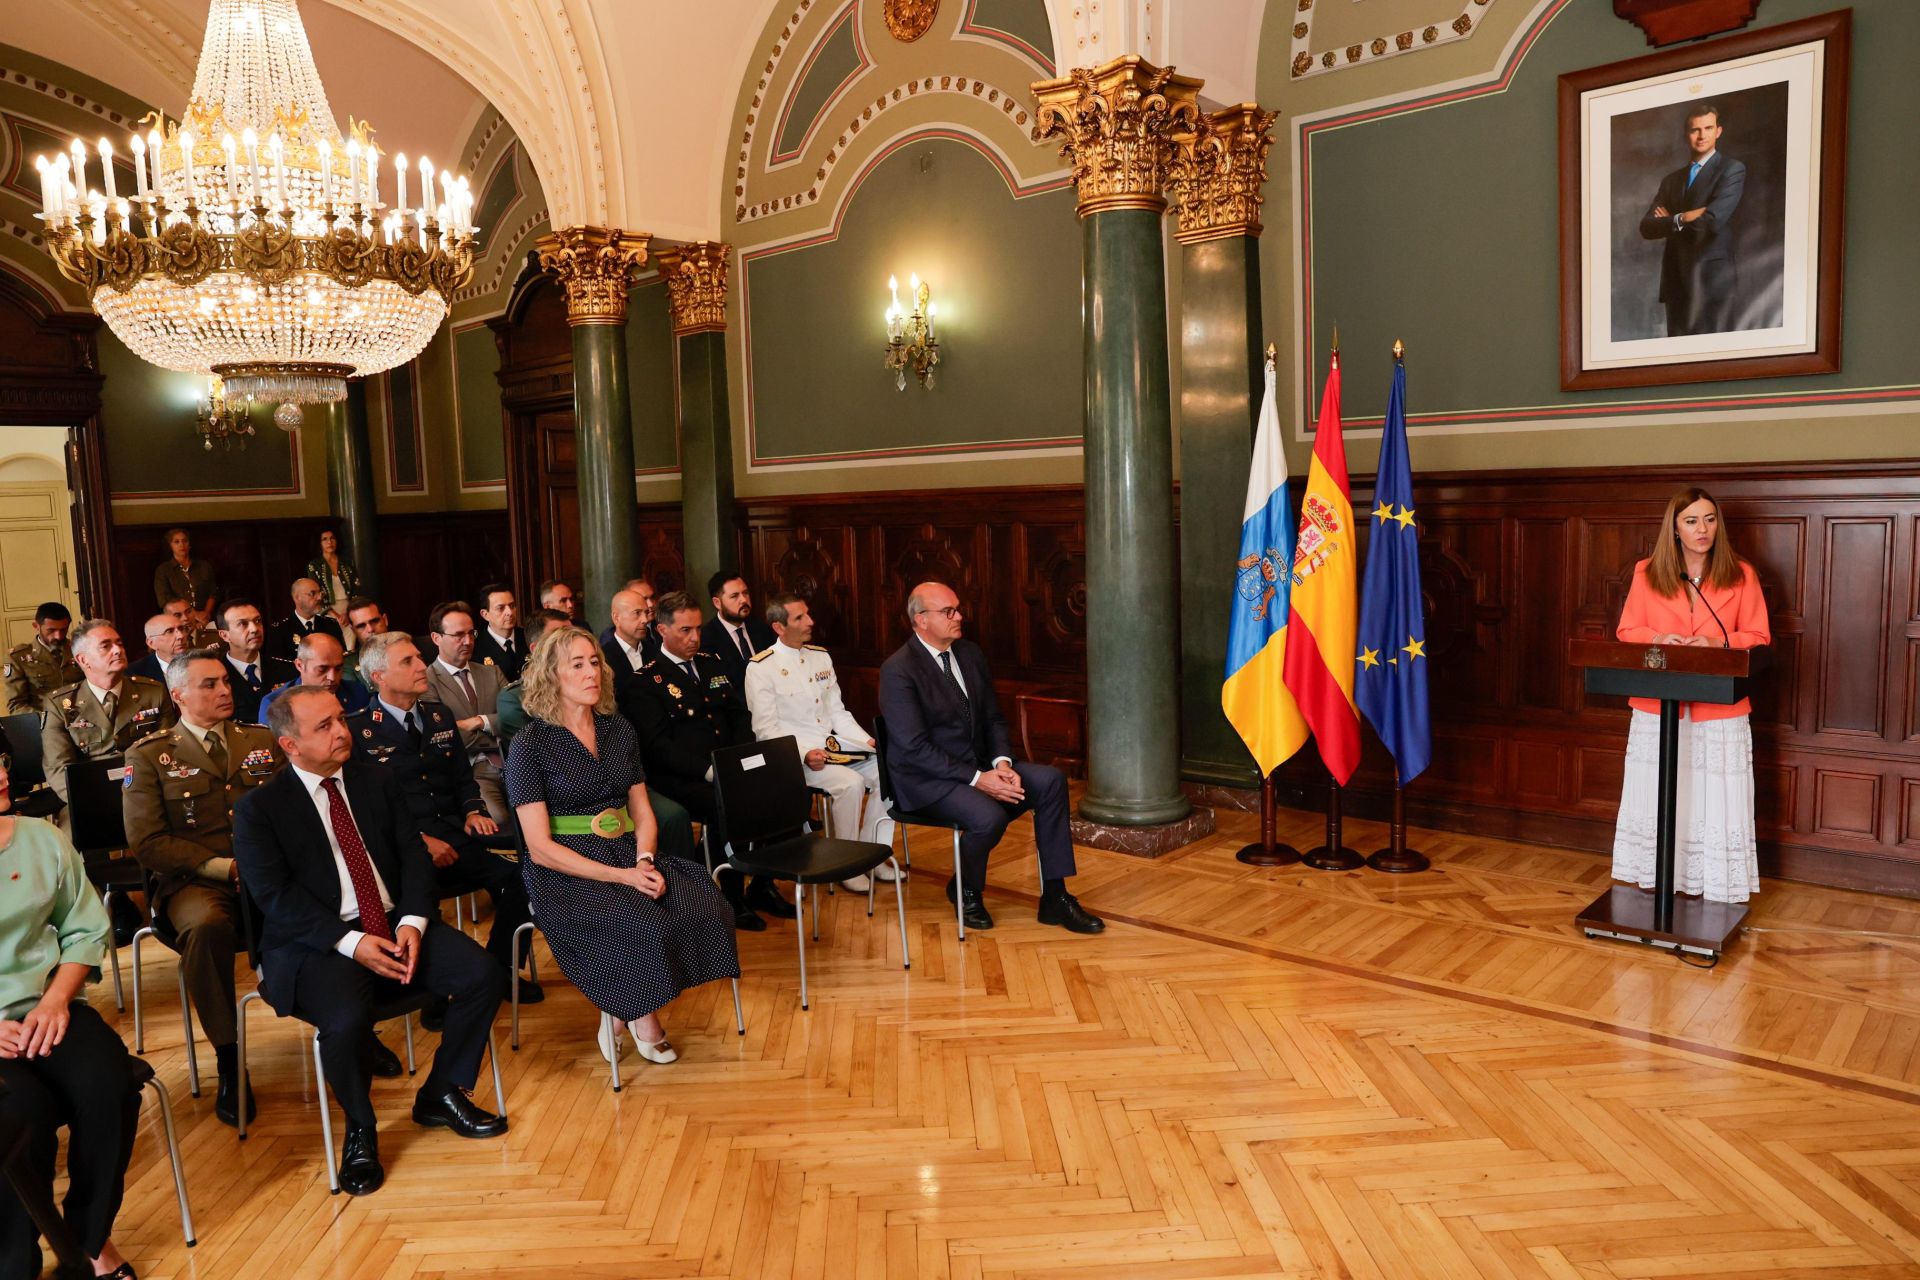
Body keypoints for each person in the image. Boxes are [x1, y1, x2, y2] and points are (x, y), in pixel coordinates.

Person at [235, 687, 508, 1197]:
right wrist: (350, 942)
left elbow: (412, 860)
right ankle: (360, 1128)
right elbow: (276, 899)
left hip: (391, 921)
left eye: (340, 719)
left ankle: (441, 1092)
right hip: (317, 941)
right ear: (290, 745)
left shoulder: (376, 780)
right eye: (324, 727)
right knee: (346, 1021)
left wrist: (413, 924)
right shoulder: (260, 809)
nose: (342, 731)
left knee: (481, 974)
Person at [506, 626, 738, 1066]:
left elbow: (643, 810)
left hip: (627, 851)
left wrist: (644, 860)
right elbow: (539, 848)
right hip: (565, 868)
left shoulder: (617, 730)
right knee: (644, 926)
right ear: (550, 676)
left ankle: (619, 1010)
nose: (591, 672)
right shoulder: (529, 745)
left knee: (706, 908)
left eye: (594, 662)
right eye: (577, 664)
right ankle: (635, 1016)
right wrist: (623, 876)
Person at [877, 582, 1103, 934]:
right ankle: (966, 888)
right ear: (921, 619)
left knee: (1050, 781)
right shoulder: (899, 670)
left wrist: (1001, 764)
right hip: (925, 780)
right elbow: (913, 747)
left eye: (958, 609)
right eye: (948, 611)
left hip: (979, 767)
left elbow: (994, 718)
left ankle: (1055, 897)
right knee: (988, 816)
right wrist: (978, 779)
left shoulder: (969, 654)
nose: (959, 616)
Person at [123, 650, 284, 1125]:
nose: (224, 690)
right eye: (209, 684)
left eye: (225, 682)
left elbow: (288, 811)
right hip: (196, 879)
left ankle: (352, 1027)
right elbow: (147, 842)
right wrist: (224, 868)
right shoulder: (149, 754)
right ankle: (230, 1057)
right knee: (207, 927)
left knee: (329, 903)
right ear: (178, 696)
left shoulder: (259, 740)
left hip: (267, 871)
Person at [0, 752, 141, 1280]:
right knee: (22, 1118)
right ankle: (15, 1264)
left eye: (0, 760)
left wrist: (56, 1000)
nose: (0, 774)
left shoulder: (40, 836)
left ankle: (86, 1239)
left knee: (110, 1085)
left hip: (48, 1005)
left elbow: (83, 929)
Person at [349, 632, 540, 1004]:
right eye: (408, 662)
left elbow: (461, 778)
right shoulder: (360, 731)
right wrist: (419, 842)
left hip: (453, 835)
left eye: (419, 658)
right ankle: (433, 995)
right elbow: (366, 811)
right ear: (379, 677)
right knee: (418, 905)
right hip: (401, 851)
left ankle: (500, 971)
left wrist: (472, 809)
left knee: (522, 878)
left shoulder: (438, 716)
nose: (422, 666)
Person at [1612, 486, 1771, 904]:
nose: (1702, 529)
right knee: (1664, 788)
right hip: (1658, 703)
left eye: (1710, 519)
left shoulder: (1742, 574)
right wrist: (1660, 637)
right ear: (1675, 529)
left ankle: (1714, 880)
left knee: (1712, 792)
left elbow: (1758, 635)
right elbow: (1627, 631)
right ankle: (1661, 876)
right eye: (1692, 521)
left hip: (1720, 706)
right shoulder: (1647, 572)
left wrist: (1719, 644)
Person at [627, 592, 791, 931]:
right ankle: (730, 896)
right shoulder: (646, 681)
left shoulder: (712, 663)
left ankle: (762, 884)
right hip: (682, 776)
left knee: (780, 789)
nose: (695, 638)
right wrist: (709, 771)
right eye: (685, 630)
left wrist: (742, 758)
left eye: (698, 629)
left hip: (728, 765)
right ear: (661, 630)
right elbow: (658, 746)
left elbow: (738, 715)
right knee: (727, 805)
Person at [745, 594, 898, 893]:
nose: (810, 622)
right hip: (796, 756)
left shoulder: (820, 656)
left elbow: (837, 712)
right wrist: (804, 754)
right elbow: (765, 729)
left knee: (888, 772)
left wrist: (865, 740)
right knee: (851, 783)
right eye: (799, 618)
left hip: (834, 747)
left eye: (808, 615)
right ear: (779, 626)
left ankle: (873, 855)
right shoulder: (761, 667)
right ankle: (846, 863)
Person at [1638, 102, 1747, 338]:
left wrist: (1669, 222)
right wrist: (1685, 216)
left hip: (1713, 283)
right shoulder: (1671, 181)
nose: (1701, 136)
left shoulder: (1731, 170)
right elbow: (1647, 227)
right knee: (1677, 367)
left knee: (1715, 363)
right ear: (1686, 134)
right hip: (1676, 283)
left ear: (1718, 131)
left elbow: (1712, 222)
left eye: (1708, 128)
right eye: (1694, 130)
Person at [42, 619, 176, 806]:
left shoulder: (153, 692)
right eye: (105, 646)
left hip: (148, 793)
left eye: (119, 643)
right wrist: (90, 803)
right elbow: (58, 769)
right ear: (83, 659)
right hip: (90, 798)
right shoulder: (60, 705)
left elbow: (168, 752)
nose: (117, 650)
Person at [423, 602, 511, 829]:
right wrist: (493, 726)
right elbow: (444, 736)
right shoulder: (426, 682)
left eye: (471, 633)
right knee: (498, 821)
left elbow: (516, 718)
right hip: (470, 772)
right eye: (458, 635)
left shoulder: (491, 672)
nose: (468, 641)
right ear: (436, 638)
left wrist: (478, 722)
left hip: (512, 762)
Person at [497, 608, 572, 749]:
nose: (571, 644)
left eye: (573, 636)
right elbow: (542, 753)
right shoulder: (514, 699)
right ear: (537, 649)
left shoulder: (586, 683)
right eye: (559, 638)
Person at [258, 632, 369, 725]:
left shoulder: (357, 693)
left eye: (338, 669)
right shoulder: (275, 704)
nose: (332, 677)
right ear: (300, 665)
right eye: (322, 669)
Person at [215, 599, 293, 724]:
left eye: (258, 621)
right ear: (225, 635)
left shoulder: (288, 670)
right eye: (242, 624)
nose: (254, 629)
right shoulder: (215, 677)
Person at [4, 602, 80, 715]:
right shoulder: (18, 658)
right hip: (43, 720)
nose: (58, 636)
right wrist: (47, 720)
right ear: (36, 626)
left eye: (63, 630)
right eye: (51, 630)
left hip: (81, 717)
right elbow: (16, 704)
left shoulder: (80, 649)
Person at [701, 572, 776, 686]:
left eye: (745, 593)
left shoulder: (762, 629)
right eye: (734, 596)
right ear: (717, 603)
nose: (744, 600)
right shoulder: (706, 638)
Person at [267, 578, 345, 663]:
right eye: (312, 594)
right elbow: (280, 667)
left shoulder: (331, 625)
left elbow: (343, 659)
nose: (319, 597)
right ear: (297, 598)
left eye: (320, 593)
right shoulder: (281, 630)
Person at [152, 527, 218, 629]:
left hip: (206, 620)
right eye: (176, 542)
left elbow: (213, 592)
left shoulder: (204, 566)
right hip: (178, 621)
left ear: (189, 544)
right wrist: (194, 614)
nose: (181, 545)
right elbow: (164, 600)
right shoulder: (163, 570)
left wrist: (205, 614)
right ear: (170, 546)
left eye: (184, 541)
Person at [305, 529, 362, 637]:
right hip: (326, 611)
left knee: (350, 646)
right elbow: (316, 592)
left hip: (349, 608)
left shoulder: (347, 563)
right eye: (325, 539)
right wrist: (335, 615)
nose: (329, 542)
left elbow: (356, 588)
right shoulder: (314, 565)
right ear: (319, 543)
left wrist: (348, 613)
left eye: (332, 538)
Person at [602, 584, 662, 679]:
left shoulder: (654, 652)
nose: (645, 620)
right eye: (637, 613)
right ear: (616, 618)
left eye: (646, 613)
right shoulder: (603, 658)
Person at [471, 584, 527, 681]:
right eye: (501, 608)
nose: (509, 612)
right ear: (485, 615)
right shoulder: (475, 647)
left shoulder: (528, 636)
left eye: (512, 606)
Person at [342, 596, 391, 687]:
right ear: (353, 630)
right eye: (361, 626)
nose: (370, 629)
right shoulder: (348, 664)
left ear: (385, 620)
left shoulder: (413, 649)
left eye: (375, 621)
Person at [597, 578, 657, 652]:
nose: (651, 604)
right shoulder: (608, 639)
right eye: (643, 599)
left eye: (652, 597)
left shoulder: (662, 626)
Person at [129, 611, 189, 684]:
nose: (181, 636)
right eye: (169, 631)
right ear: (152, 643)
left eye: (181, 629)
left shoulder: (202, 661)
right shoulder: (135, 673)